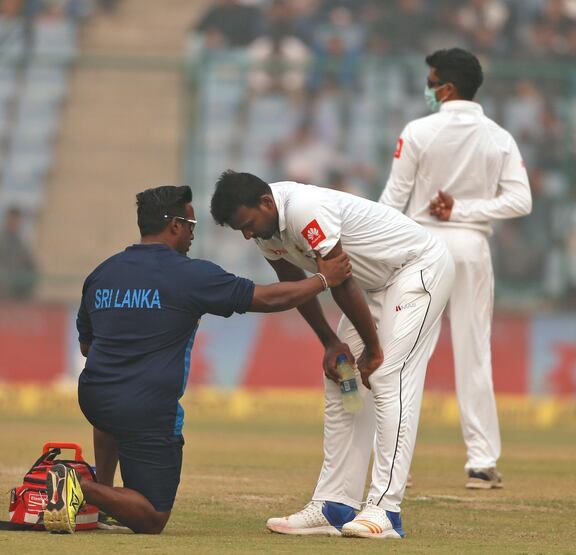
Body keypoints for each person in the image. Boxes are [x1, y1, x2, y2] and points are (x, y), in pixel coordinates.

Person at [42, 185, 353, 535]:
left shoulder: (102, 273)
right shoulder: (189, 275)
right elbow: (266, 299)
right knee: (152, 516)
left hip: (94, 399)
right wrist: (324, 279)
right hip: (145, 409)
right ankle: (79, 487)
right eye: (191, 225)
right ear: (174, 225)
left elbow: (87, 347)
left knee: (112, 399)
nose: (192, 234)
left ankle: (102, 494)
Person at [210, 170, 455, 539]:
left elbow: (337, 276)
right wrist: (330, 343)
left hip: (418, 267)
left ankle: (386, 510)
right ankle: (335, 504)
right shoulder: (265, 231)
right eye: (239, 231)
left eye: (247, 225)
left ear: (265, 203)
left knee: (387, 375)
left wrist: (373, 351)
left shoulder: (306, 209)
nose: (247, 234)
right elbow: (295, 286)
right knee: (344, 378)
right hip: (374, 287)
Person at [379, 47, 532, 489]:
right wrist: (465, 210)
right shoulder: (499, 136)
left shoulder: (418, 131)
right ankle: (481, 463)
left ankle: (396, 468)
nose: (427, 88)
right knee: (475, 352)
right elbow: (520, 200)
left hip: (421, 246)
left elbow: (393, 201)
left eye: (431, 80)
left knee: (407, 357)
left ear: (445, 87)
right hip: (470, 247)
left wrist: (377, 253)